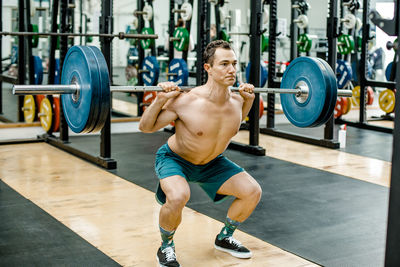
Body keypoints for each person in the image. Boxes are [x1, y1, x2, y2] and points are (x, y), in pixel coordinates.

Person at [139, 40, 262, 267]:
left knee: (252, 191)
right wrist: (159, 101)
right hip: (176, 159)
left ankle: (224, 238)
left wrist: (250, 101)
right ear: (208, 68)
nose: (232, 70)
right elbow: (145, 127)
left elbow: (231, 125)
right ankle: (166, 247)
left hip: (212, 163)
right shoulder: (186, 100)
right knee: (177, 196)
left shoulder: (237, 101)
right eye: (224, 64)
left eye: (234, 63)